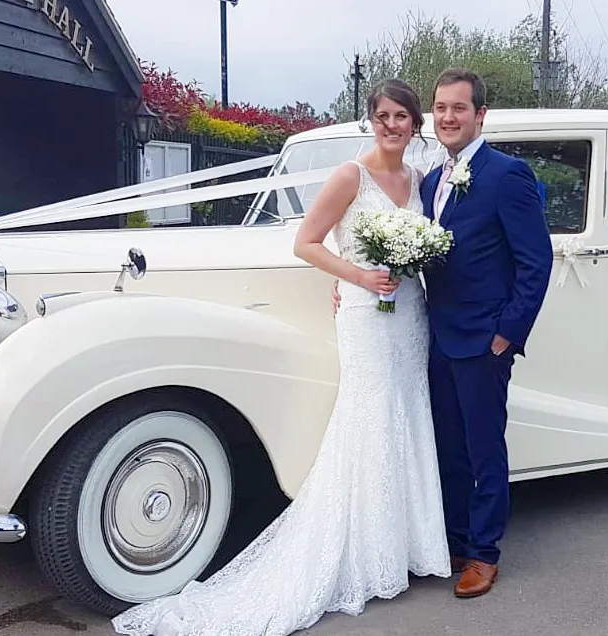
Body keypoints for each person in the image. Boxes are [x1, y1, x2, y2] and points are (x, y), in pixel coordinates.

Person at [111, 78, 452, 636]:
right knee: (368, 420)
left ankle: (410, 546)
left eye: (403, 117)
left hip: (410, 314)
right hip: (368, 314)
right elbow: (307, 242)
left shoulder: (418, 179)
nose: (393, 125)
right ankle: (365, 554)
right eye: (384, 115)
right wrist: (357, 275)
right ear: (371, 120)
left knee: (409, 414)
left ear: (416, 125)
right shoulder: (351, 175)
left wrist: (409, 266)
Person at [334, 68, 554, 598]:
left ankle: (484, 553)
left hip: (483, 340)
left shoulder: (507, 174)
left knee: (484, 450)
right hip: (431, 334)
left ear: (481, 115)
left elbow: (536, 261)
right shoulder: (430, 179)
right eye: (441, 108)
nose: (449, 117)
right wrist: (353, 278)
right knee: (447, 450)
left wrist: (507, 334)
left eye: (459, 108)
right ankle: (454, 540)